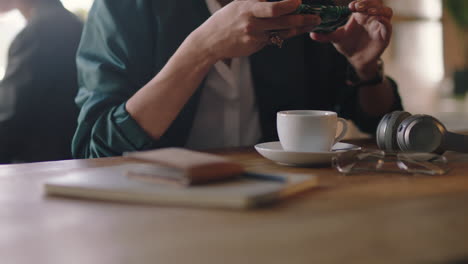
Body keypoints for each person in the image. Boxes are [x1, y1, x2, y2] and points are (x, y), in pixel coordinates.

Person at [73, 0, 403, 158]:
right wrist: (201, 49)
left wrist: (365, 68)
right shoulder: (125, 8)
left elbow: (380, 125)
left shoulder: (300, 12)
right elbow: (97, 149)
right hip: (158, 212)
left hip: (285, 205)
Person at [0, 0, 83, 163]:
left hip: (38, 167)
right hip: (69, 162)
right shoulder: (73, 23)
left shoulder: (40, 31)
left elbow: (12, 116)